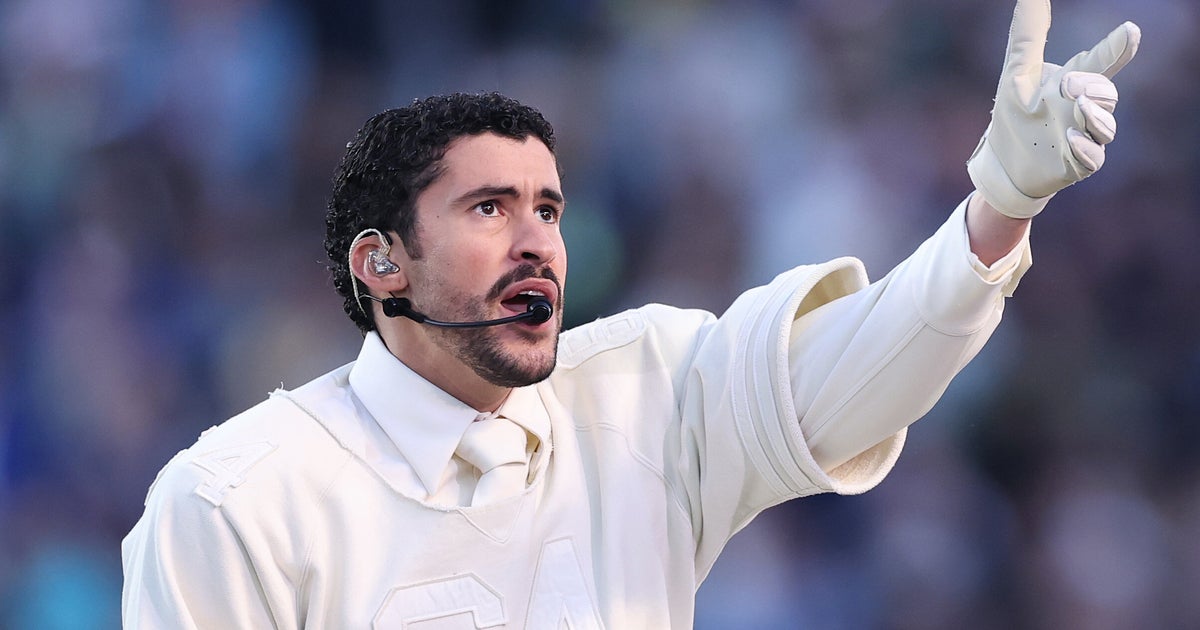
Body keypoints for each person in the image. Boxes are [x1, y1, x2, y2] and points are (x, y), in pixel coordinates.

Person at [121, 1, 1140, 627]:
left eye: (548, 210)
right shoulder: (235, 501)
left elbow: (858, 369)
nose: (536, 242)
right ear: (380, 264)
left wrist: (1000, 206)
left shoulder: (645, 392)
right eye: (489, 209)